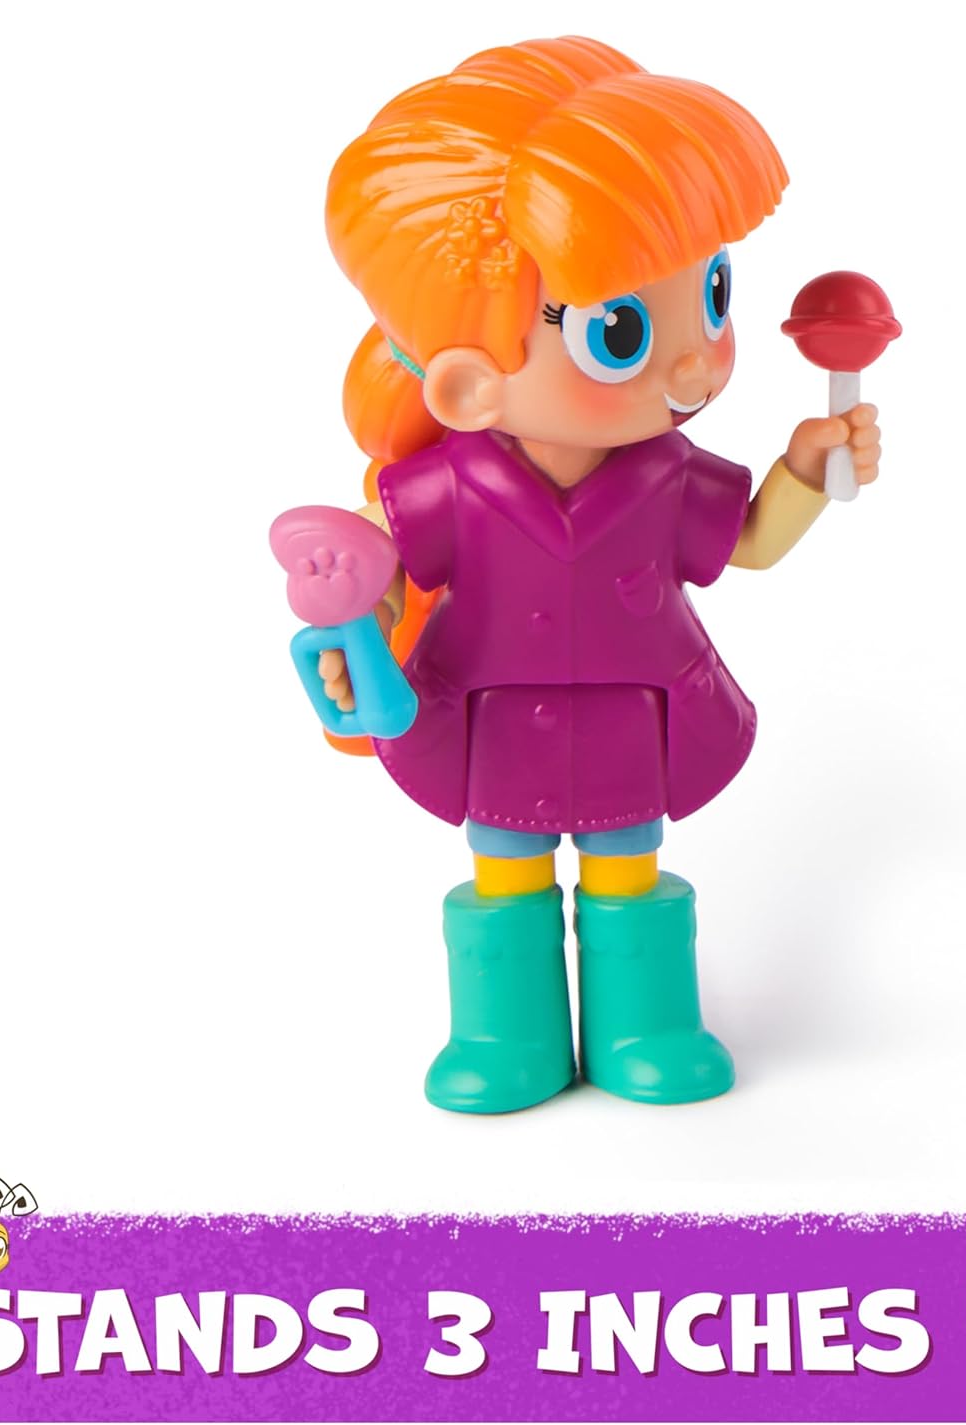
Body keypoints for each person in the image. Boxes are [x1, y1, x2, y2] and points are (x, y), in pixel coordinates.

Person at [307, 36, 882, 1113]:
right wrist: (357, 631)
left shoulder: (666, 472)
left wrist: (807, 469)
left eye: (713, 290)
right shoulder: (445, 488)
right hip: (492, 719)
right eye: (621, 330)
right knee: (507, 873)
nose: (696, 358)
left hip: (633, 714)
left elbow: (751, 542)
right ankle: (504, 1036)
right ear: (469, 387)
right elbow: (379, 573)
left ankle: (646, 1027)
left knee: (628, 866)